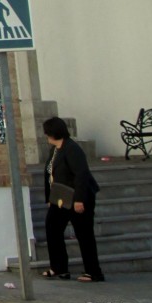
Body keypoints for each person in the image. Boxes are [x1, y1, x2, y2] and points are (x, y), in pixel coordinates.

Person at [41, 116, 104, 282]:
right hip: (61, 198)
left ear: (53, 133)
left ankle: (94, 272)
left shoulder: (72, 149)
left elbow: (81, 175)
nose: (45, 136)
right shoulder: (55, 150)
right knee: (52, 228)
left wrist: (79, 200)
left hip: (77, 197)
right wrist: (49, 198)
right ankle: (59, 268)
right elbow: (50, 174)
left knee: (84, 233)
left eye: (47, 132)